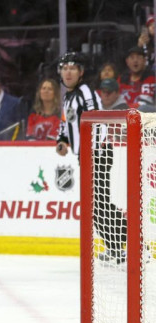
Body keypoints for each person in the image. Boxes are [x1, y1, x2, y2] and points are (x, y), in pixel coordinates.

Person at [56, 51, 126, 262]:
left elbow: (95, 120)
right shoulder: (68, 96)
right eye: (64, 68)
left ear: (81, 72)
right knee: (97, 203)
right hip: (88, 154)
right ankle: (118, 244)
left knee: (97, 204)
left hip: (98, 152)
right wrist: (62, 140)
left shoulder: (85, 92)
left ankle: (124, 240)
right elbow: (65, 122)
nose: (68, 72)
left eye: (72, 68)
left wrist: (90, 153)